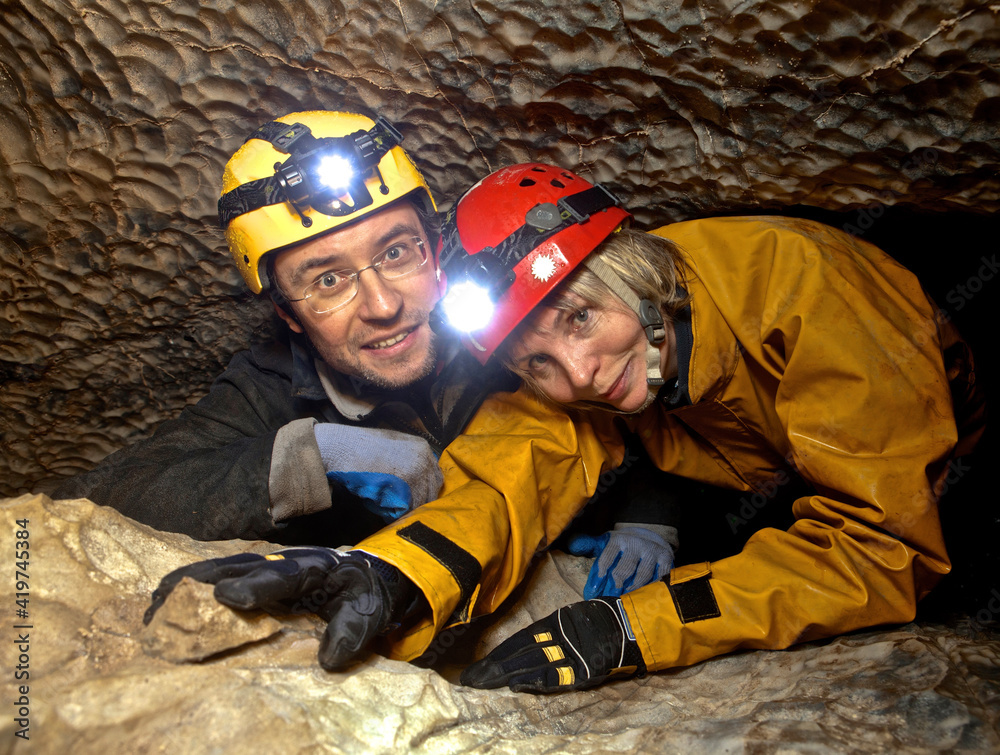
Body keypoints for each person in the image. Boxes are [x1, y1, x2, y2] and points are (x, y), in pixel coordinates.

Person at [144, 161, 983, 693]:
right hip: (776, 477)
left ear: (626, 264)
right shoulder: (605, 353)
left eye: (578, 319)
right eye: (533, 361)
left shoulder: (805, 289)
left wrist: (633, 627)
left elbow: (885, 546)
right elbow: (512, 467)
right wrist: (388, 572)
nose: (577, 377)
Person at [55, 115, 672, 601]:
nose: (382, 305)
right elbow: (91, 503)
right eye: (327, 281)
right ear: (289, 316)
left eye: (398, 253)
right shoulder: (270, 388)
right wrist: (310, 457)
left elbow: (663, 391)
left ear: (436, 249)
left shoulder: (503, 330)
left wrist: (652, 510)